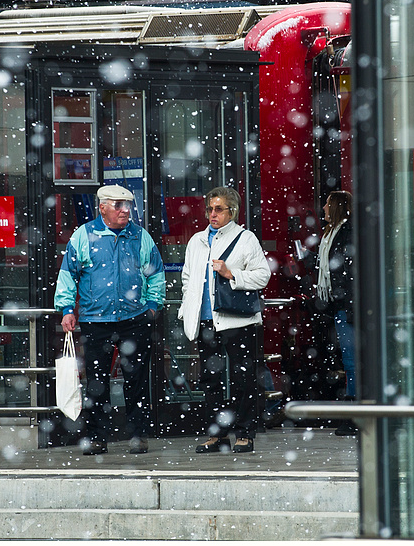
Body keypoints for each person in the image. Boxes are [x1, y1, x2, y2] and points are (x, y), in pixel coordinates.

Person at [54, 184, 165, 455]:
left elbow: (156, 274)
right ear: (102, 207)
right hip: (95, 321)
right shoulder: (84, 236)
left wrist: (152, 306)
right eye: (118, 205)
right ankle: (96, 437)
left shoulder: (140, 237)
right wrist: (67, 308)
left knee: (136, 381)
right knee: (96, 382)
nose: (125, 210)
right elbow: (68, 274)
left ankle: (138, 435)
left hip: (134, 319)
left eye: (128, 204)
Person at [178, 187, 271, 453]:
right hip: (207, 320)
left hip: (237, 320)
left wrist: (233, 274)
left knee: (244, 379)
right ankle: (217, 434)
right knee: (210, 379)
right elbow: (187, 278)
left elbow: (263, 276)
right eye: (209, 208)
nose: (212, 214)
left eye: (219, 209)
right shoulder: (197, 241)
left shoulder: (245, 239)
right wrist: (188, 307)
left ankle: (244, 432)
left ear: (233, 211)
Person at [315, 190, 357, 436]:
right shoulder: (334, 234)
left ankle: (354, 416)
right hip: (342, 306)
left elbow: (343, 272)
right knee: (351, 362)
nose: (323, 209)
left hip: (347, 307)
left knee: (352, 363)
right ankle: (354, 414)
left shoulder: (345, 233)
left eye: (327, 204)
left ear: (337, 207)